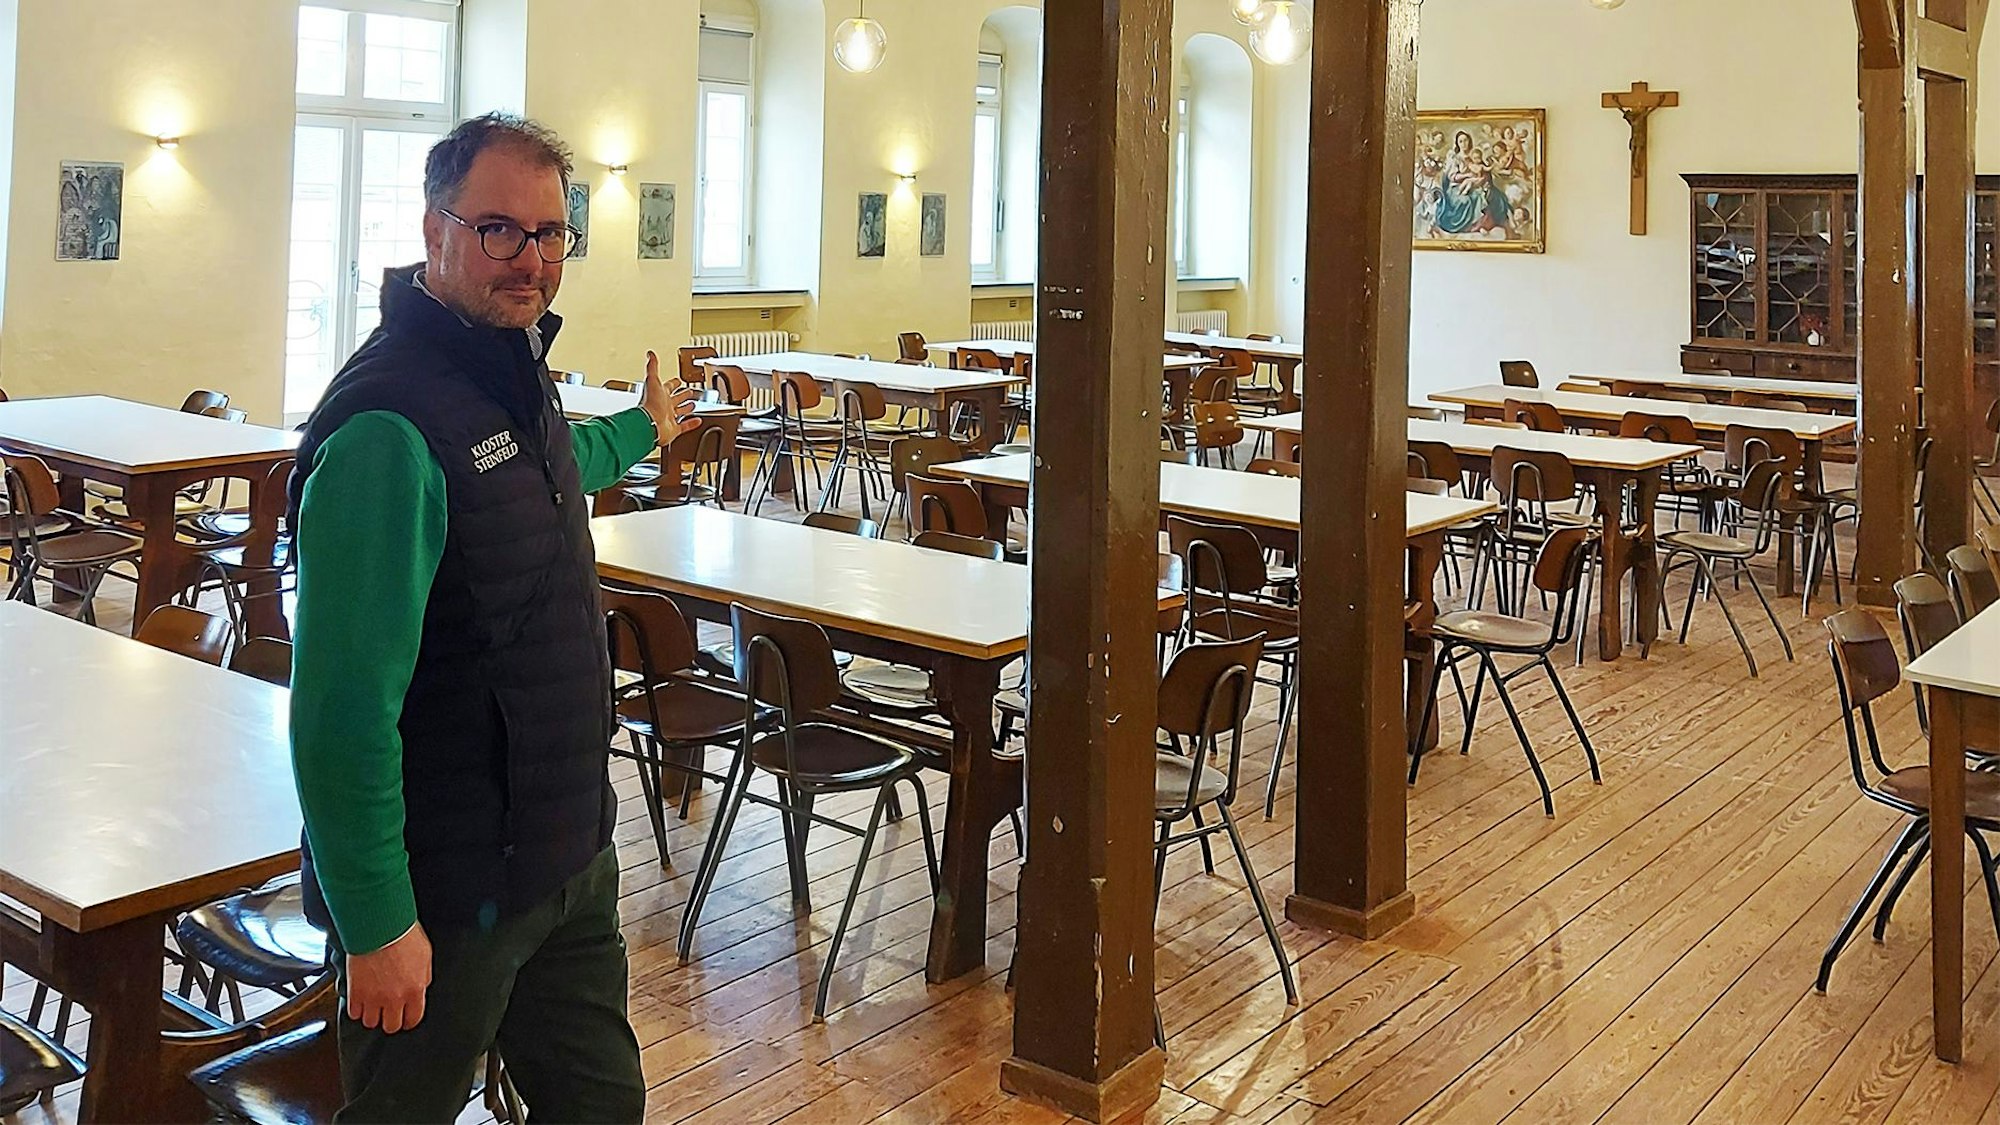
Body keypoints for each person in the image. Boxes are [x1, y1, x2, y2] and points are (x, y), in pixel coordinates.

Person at [287, 112, 698, 1123]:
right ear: (434, 234)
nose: (532, 259)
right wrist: (378, 924)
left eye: (552, 234)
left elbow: (549, 472)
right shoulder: (389, 428)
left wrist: (645, 427)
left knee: (602, 1107)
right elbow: (340, 714)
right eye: (499, 231)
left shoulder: (508, 372)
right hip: (446, 888)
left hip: (562, 858)